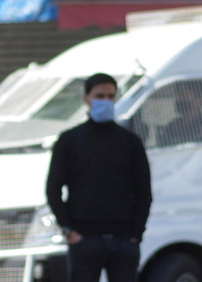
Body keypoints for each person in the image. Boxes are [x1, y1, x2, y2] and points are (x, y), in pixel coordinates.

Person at [46, 73, 152, 282]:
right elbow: (53, 189)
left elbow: (143, 191)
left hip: (123, 239)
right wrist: (68, 230)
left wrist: (136, 234)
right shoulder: (69, 140)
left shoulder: (130, 142)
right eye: (99, 96)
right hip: (85, 238)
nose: (105, 101)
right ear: (86, 98)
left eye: (110, 96)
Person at [158, 80, 202, 147]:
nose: (179, 99)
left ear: (198, 101)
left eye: (184, 95)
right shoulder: (172, 126)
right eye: (178, 95)